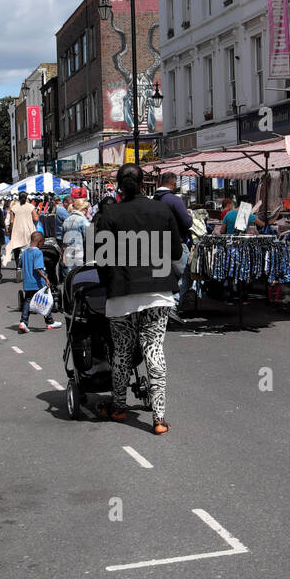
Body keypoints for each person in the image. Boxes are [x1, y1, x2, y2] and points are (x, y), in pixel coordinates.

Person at [92, 162, 181, 435]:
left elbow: (100, 258)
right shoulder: (162, 209)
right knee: (154, 349)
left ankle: (118, 406)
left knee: (122, 351)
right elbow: (176, 252)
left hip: (122, 294)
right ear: (145, 183)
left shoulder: (109, 214)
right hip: (157, 292)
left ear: (119, 185)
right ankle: (159, 418)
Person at [152, 173, 193, 317]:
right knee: (184, 276)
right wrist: (190, 216)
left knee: (163, 278)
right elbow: (187, 223)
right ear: (174, 183)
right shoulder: (174, 200)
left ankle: (162, 309)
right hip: (176, 243)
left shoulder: (153, 201)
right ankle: (173, 309)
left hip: (156, 244)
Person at [18, 231, 61, 333]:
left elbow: (20, 264)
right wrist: (45, 278)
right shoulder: (38, 252)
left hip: (27, 281)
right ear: (39, 242)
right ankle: (49, 322)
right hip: (37, 282)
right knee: (44, 301)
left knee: (28, 301)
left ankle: (24, 322)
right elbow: (38, 268)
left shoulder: (24, 252)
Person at [6, 191, 37, 281]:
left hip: (17, 231)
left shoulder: (14, 208)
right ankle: (28, 272)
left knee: (17, 250)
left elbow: (11, 221)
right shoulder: (31, 207)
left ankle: (18, 267)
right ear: (27, 197)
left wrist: (11, 231)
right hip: (29, 231)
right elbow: (36, 218)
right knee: (29, 251)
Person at [60, 196, 91, 275]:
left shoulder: (67, 220)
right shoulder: (83, 220)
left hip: (68, 252)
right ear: (85, 209)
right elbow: (89, 238)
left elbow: (62, 238)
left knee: (69, 276)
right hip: (79, 253)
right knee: (79, 276)